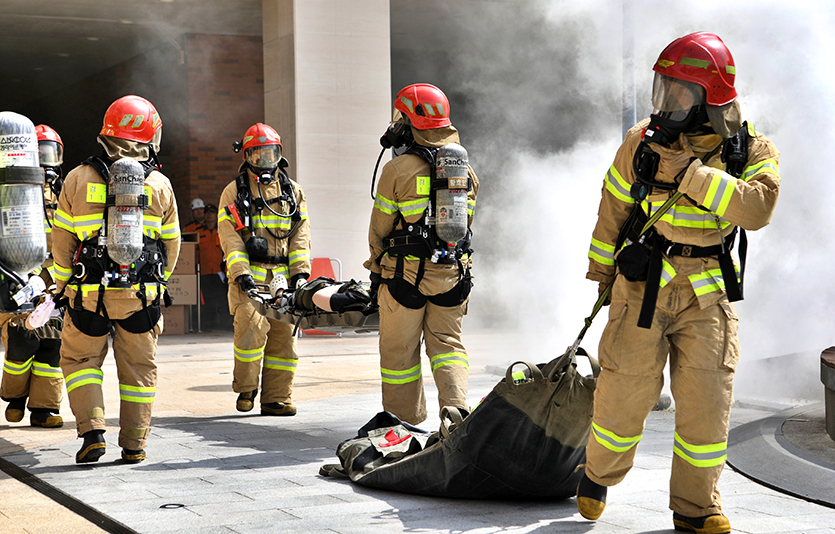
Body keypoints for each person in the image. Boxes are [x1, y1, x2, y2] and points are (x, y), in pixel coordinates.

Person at [577, 32, 780, 534]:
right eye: (662, 89)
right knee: (623, 392)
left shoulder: (752, 149)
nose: (665, 102)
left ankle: (695, 508)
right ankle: (597, 473)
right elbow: (613, 210)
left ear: (709, 98)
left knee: (708, 404)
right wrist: (601, 276)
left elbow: (756, 209)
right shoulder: (641, 141)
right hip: (642, 286)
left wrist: (690, 173)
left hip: (708, 294)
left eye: (678, 92)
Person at [52, 95, 181, 464]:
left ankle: (92, 432)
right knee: (139, 369)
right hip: (140, 296)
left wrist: (63, 285)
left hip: (87, 294)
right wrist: (158, 286)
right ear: (148, 137)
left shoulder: (76, 179)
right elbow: (171, 245)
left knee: (79, 361)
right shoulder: (159, 184)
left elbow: (61, 242)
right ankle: (135, 444)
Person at [364, 83, 478, 425]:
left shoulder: (397, 170)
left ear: (409, 121)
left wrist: (376, 266)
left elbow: (379, 231)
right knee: (448, 345)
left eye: (400, 116)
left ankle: (405, 425)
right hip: (453, 275)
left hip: (405, 277)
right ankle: (456, 410)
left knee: (401, 353)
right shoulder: (465, 171)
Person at [218, 123, 310, 416]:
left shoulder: (293, 192)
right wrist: (241, 273)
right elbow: (229, 238)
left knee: (285, 339)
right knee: (249, 335)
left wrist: (301, 274)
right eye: (257, 155)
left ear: (279, 154)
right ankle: (247, 388)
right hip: (249, 280)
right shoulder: (234, 192)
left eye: (270, 154)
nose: (264, 161)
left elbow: (301, 235)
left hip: (283, 280)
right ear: (246, 157)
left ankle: (276, 398)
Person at [1, 124, 65, 428]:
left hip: (54, 279)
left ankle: (44, 409)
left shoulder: (65, 192)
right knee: (21, 341)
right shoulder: (10, 191)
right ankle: (15, 398)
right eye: (37, 153)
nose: (44, 161)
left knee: (53, 344)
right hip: (18, 279)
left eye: (49, 153)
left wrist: (54, 276)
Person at [196, 204, 230, 330]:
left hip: (219, 271)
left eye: (212, 213)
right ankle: (208, 325)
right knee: (207, 300)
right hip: (204, 271)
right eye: (207, 213)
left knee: (222, 299)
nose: (209, 215)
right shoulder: (199, 231)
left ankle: (224, 325)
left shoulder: (222, 230)